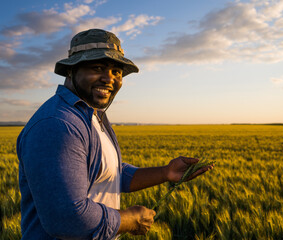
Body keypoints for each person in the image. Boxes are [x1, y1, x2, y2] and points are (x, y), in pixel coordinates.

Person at [17, 28, 214, 240]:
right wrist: (130, 219)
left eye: (116, 72)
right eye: (97, 67)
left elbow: (110, 173)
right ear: (70, 71)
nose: (108, 79)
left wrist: (166, 172)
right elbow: (66, 218)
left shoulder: (93, 115)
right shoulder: (58, 124)